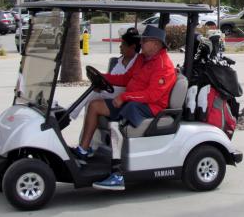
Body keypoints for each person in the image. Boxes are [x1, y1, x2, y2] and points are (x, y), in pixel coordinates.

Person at [73, 25, 177, 190]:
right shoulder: (143, 59)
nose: (141, 43)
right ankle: (83, 149)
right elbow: (126, 78)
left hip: (150, 107)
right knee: (94, 106)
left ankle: (118, 174)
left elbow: (152, 95)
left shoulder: (164, 66)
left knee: (116, 125)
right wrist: (102, 76)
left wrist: (124, 97)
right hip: (134, 101)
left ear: (156, 44)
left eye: (145, 41)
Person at [70, 27, 141, 120]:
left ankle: (69, 113)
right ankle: (71, 114)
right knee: (91, 98)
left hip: (121, 95)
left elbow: (125, 80)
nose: (120, 46)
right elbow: (112, 78)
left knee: (93, 95)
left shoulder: (138, 61)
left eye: (123, 44)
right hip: (110, 92)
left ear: (133, 47)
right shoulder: (119, 61)